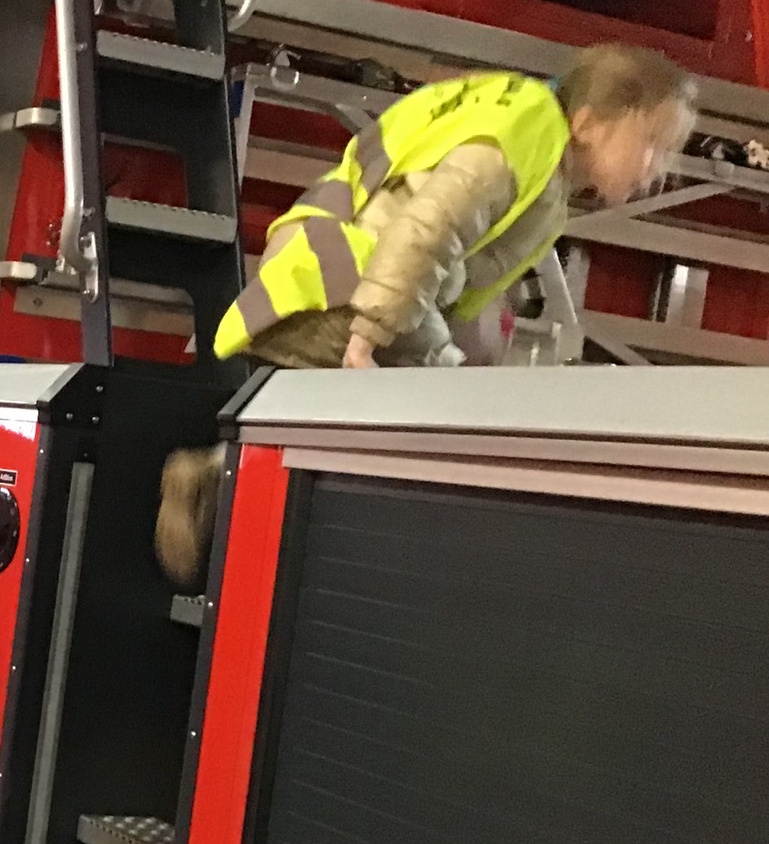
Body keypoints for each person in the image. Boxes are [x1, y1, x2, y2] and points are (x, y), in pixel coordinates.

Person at [156, 43, 698, 585]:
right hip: (354, 284)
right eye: (651, 143)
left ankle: (219, 479)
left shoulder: (533, 143)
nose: (659, 169)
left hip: (333, 275)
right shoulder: (530, 130)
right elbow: (430, 228)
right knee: (449, 434)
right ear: (589, 121)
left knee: (378, 426)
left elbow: (458, 290)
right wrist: (372, 332)